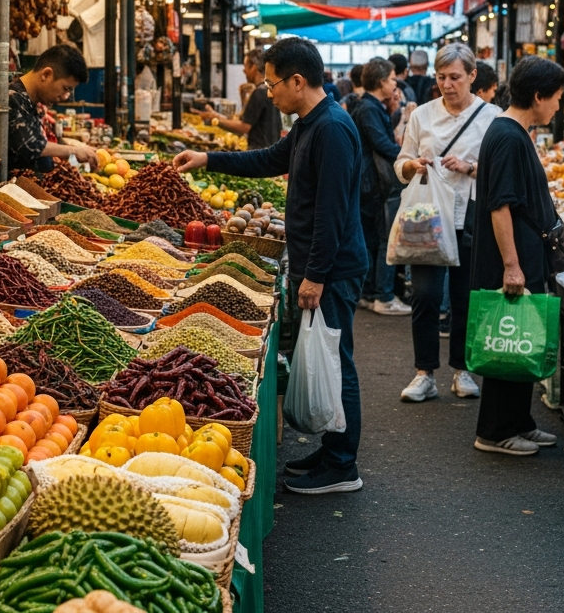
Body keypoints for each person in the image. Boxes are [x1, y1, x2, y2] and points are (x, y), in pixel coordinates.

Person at [173, 37, 369, 494]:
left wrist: (315, 275)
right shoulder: (308, 124)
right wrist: (208, 158)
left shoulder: (333, 129)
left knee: (335, 360)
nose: (267, 91)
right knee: (329, 355)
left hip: (334, 269)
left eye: (272, 82)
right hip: (318, 264)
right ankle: (332, 449)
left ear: (298, 81)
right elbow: (267, 159)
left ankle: (343, 465)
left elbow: (331, 212)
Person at [470, 55, 564, 456]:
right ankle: (493, 431)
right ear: (538, 95)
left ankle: (519, 422)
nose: (558, 107)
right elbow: (500, 206)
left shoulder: (512, 131)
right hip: (511, 260)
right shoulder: (509, 136)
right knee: (508, 339)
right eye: (557, 98)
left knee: (523, 335)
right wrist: (512, 265)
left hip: (524, 256)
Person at [395, 44, 501, 401]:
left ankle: (463, 369)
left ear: (472, 76)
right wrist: (413, 166)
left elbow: (503, 171)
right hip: (428, 218)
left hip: (471, 217)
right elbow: (401, 164)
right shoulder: (422, 115)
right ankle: (424, 372)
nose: (447, 84)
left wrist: (469, 168)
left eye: (455, 77)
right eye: (441, 77)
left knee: (464, 298)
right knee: (424, 296)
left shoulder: (493, 117)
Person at [352, 58, 409, 316]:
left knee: (373, 239)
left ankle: (369, 293)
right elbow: (382, 144)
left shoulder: (371, 106)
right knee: (386, 238)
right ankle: (383, 296)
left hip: (367, 181)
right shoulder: (368, 108)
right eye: (392, 79)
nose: (395, 83)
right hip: (373, 182)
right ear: (380, 82)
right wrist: (407, 156)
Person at [1, 44, 97, 172]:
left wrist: (72, 144)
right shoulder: (11, 98)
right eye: (65, 88)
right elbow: (30, 147)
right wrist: (74, 151)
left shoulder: (33, 102)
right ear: (46, 74)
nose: (66, 96)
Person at [200, 48, 281, 149]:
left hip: (259, 153)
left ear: (254, 68)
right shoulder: (269, 90)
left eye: (245, 66)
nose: (244, 70)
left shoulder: (259, 93)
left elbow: (244, 127)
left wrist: (215, 120)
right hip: (270, 150)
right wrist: (216, 115)